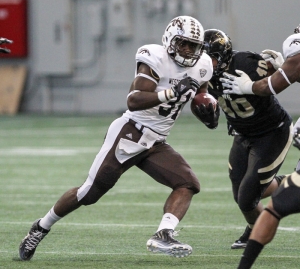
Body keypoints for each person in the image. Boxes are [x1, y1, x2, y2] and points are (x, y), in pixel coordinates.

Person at [18, 15, 220, 261]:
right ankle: (41, 227)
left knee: (188, 183)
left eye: (194, 46)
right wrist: (169, 92)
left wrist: (207, 111)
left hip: (156, 142)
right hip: (130, 132)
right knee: (88, 194)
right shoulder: (154, 58)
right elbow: (134, 101)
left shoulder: (203, 65)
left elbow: (200, 94)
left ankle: (163, 234)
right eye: (183, 43)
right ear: (170, 40)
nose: (188, 50)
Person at [201, 29, 293, 250]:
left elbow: (274, 82)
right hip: (243, 134)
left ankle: (258, 234)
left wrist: (274, 69)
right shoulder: (201, 71)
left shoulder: (245, 63)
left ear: (223, 55)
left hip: (272, 132)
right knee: (241, 190)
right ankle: (292, 185)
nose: (204, 62)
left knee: (247, 197)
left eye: (210, 57)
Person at [219, 24, 300, 268]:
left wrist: (248, 87)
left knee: (253, 197)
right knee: (255, 195)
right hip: (246, 134)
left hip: (272, 131)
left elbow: (271, 86)